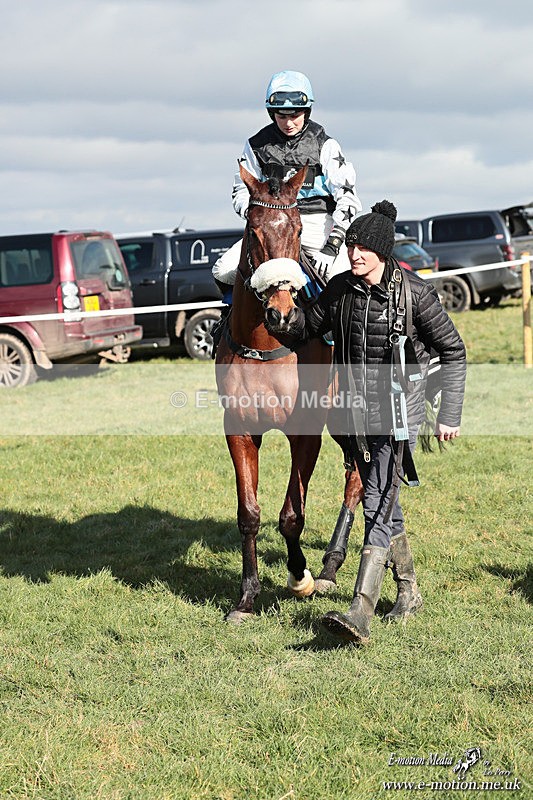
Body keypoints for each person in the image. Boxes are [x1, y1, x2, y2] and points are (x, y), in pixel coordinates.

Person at [305, 199, 467, 645]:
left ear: (381, 252)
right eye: (350, 246)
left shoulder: (415, 293)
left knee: (376, 497)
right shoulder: (340, 289)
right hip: (357, 416)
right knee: (385, 501)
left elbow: (453, 350)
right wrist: (273, 303)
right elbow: (303, 327)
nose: (353, 254)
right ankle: (409, 590)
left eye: (361, 248)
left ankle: (361, 608)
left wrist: (448, 414)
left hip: (401, 416)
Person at [212, 70, 362, 302]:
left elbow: (348, 199)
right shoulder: (256, 145)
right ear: (272, 114)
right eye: (282, 116)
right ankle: (233, 323)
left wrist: (332, 245)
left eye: (295, 115)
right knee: (222, 270)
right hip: (271, 223)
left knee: (346, 281)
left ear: (307, 111)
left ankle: (344, 336)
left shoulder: (326, 145)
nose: (289, 123)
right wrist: (256, 215)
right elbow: (241, 190)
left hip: (316, 222)